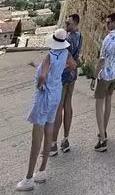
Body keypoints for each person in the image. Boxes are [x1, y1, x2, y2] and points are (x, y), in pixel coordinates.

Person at [16, 28, 77, 192]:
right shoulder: (66, 54)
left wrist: (40, 84)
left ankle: (28, 177)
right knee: (50, 129)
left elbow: (42, 76)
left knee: (37, 136)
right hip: (56, 93)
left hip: (44, 97)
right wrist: (63, 70)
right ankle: (42, 170)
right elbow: (74, 65)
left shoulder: (50, 56)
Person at [50, 13, 82, 156]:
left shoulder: (67, 40)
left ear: (75, 24)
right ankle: (66, 139)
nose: (66, 25)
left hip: (63, 76)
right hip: (73, 75)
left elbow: (65, 59)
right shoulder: (80, 37)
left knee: (59, 108)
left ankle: (53, 144)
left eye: (68, 24)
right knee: (68, 105)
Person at [94, 12, 115, 153]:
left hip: (106, 75)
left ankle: (102, 140)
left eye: (108, 23)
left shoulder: (108, 39)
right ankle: (104, 131)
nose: (106, 25)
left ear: (114, 22)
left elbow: (101, 60)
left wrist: (94, 76)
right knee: (108, 101)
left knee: (98, 105)